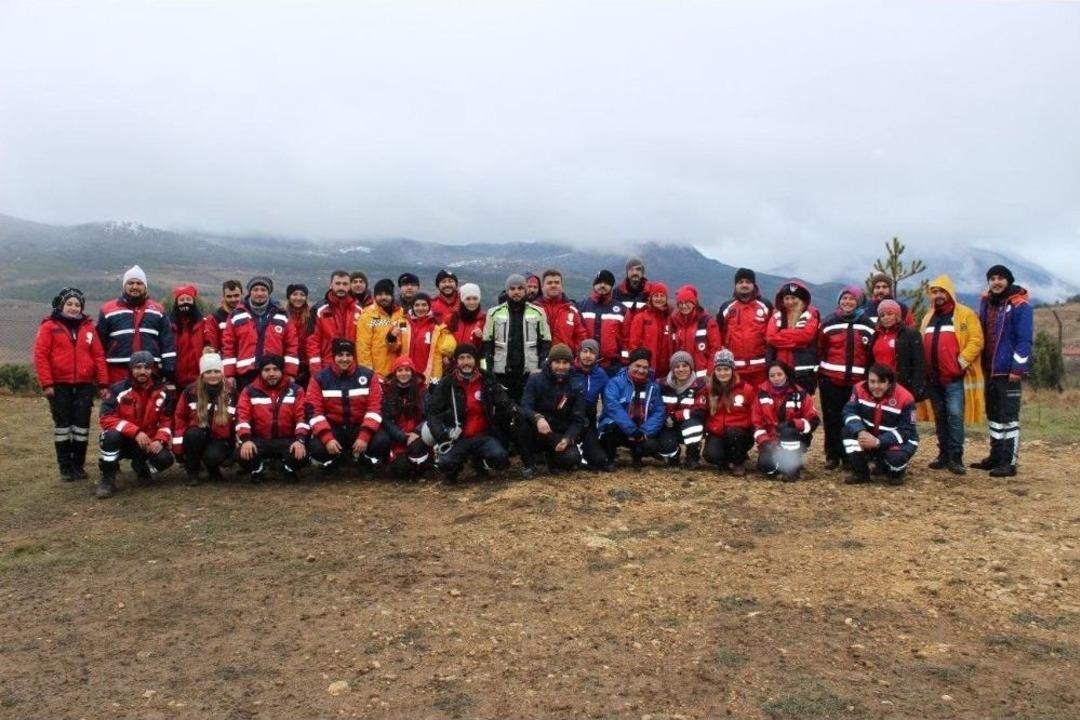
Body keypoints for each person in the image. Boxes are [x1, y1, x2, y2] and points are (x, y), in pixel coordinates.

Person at [34, 287, 109, 481]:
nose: (73, 308)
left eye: (77, 305)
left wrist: (103, 383)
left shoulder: (88, 327)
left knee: (81, 426)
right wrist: (47, 384)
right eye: (69, 304)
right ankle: (65, 467)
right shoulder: (49, 326)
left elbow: (98, 355)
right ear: (61, 305)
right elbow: (41, 356)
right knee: (63, 426)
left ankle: (78, 465)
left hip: (84, 385)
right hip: (59, 385)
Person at [921, 274, 984, 475]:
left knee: (955, 417)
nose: (938, 295)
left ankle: (956, 457)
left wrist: (961, 362)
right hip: (933, 379)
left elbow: (976, 340)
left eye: (941, 291)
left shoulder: (965, 314)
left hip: (954, 379)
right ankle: (943, 455)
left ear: (949, 292)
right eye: (934, 292)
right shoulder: (928, 317)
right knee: (940, 418)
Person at [974, 264, 1033, 477]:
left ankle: (1009, 462)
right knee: (994, 416)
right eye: (992, 278)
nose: (996, 282)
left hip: (1008, 372)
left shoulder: (1020, 306)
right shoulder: (986, 302)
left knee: (1009, 417)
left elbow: (1024, 340)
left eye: (1000, 278)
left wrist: (1018, 367)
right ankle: (996, 456)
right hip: (989, 370)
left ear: (1008, 280)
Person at [424, 344, 515, 483]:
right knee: (445, 463)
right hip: (458, 438)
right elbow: (433, 412)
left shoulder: (487, 378)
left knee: (499, 457)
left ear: (475, 360)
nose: (466, 362)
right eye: (461, 358)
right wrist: (441, 437)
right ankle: (454, 469)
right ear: (456, 361)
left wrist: (515, 411)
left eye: (469, 358)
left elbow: (503, 400)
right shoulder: (447, 382)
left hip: (484, 435)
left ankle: (480, 463)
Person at [97, 351, 175, 498]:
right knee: (110, 436)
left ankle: (141, 467)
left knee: (166, 459)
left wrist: (160, 439)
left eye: (147, 367)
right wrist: (135, 432)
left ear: (152, 369)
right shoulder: (117, 390)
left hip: (148, 441)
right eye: (138, 367)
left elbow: (167, 420)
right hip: (123, 440)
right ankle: (107, 478)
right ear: (131, 369)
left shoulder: (162, 391)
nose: (142, 371)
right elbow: (106, 418)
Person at [817, 286, 875, 471]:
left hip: (857, 383)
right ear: (839, 301)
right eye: (844, 298)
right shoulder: (829, 322)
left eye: (852, 299)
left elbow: (871, 354)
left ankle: (850, 456)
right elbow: (821, 349)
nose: (847, 302)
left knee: (852, 420)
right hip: (830, 379)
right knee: (832, 419)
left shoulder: (867, 324)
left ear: (858, 302)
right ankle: (832, 455)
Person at [306, 339, 385, 473]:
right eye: (340, 355)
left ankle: (365, 460)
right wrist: (327, 439)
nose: (344, 359)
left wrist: (364, 436)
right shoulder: (319, 378)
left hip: (359, 426)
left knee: (381, 441)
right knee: (316, 447)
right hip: (334, 428)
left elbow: (375, 408)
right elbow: (314, 412)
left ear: (353, 357)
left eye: (348, 355)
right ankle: (335, 460)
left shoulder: (368, 376)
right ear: (333, 356)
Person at [235, 354, 310, 482]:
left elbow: (302, 417)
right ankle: (257, 470)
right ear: (261, 371)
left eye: (275, 369)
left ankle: (289, 469)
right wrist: (246, 440)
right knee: (242, 454)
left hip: (287, 440)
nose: (271, 373)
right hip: (259, 440)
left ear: (282, 371)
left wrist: (300, 440)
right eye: (267, 370)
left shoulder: (296, 390)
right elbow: (242, 417)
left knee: (301, 455)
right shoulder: (249, 391)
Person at [842, 363, 919, 485]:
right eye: (872, 382)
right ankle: (861, 472)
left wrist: (878, 441)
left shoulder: (906, 398)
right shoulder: (858, 389)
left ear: (889, 383)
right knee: (848, 431)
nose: (876, 386)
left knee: (895, 470)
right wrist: (860, 431)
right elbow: (849, 411)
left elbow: (906, 431)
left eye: (881, 382)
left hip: (898, 440)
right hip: (870, 435)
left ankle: (894, 470)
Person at [517, 343, 587, 478]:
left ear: (570, 364)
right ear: (550, 362)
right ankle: (530, 464)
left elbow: (578, 419)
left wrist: (568, 438)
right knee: (518, 422)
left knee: (572, 460)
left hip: (559, 432)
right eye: (557, 362)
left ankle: (552, 458)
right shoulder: (535, 379)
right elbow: (525, 406)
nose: (561, 366)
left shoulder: (577, 384)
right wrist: (537, 418)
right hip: (537, 429)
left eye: (565, 362)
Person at [98, 265, 176, 384]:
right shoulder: (107, 310)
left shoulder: (158, 310)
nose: (135, 287)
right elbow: (99, 346)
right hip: (117, 371)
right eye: (130, 283)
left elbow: (167, 342)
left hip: (150, 371)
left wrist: (169, 369)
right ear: (124, 286)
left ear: (145, 287)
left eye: (139, 283)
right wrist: (101, 378)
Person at [482, 274, 552, 403]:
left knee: (526, 408)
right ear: (507, 291)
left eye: (520, 288)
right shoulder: (493, 313)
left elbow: (545, 342)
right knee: (502, 410)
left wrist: (541, 368)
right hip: (501, 372)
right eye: (512, 288)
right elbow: (487, 345)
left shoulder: (538, 312)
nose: (516, 292)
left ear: (525, 291)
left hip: (529, 372)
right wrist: (489, 373)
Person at [222, 276, 299, 388]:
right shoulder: (236, 315)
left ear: (269, 292)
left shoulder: (282, 315)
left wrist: (290, 372)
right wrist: (229, 374)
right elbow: (228, 345)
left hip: (274, 373)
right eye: (255, 290)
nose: (259, 293)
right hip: (245, 374)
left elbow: (291, 345)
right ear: (250, 292)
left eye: (263, 290)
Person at [597, 348, 666, 468]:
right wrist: (631, 430)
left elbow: (659, 412)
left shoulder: (653, 388)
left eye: (645, 367)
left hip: (641, 431)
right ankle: (610, 457)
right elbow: (613, 407)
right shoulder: (615, 383)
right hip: (621, 429)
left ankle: (637, 454)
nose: (641, 370)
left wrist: (645, 431)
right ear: (629, 365)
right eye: (637, 366)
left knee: (652, 445)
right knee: (610, 428)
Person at [172, 352, 234, 485]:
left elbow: (237, 420)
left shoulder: (231, 392)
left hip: (219, 438)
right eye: (208, 372)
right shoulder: (190, 392)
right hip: (196, 436)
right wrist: (177, 447)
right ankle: (192, 472)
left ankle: (213, 470)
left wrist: (233, 451)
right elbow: (180, 418)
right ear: (202, 375)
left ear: (222, 373)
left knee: (213, 456)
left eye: (217, 371)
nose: (213, 375)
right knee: (193, 434)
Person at [751, 361, 819, 481]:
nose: (776, 378)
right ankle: (781, 465)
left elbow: (813, 420)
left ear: (786, 375)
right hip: (771, 440)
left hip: (793, 438)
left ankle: (792, 468)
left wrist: (794, 424)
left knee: (788, 432)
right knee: (765, 467)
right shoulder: (761, 394)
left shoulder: (800, 394)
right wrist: (765, 442)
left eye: (779, 374)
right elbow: (756, 424)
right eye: (772, 375)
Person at [370, 357, 431, 479]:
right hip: (397, 438)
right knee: (401, 469)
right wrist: (400, 435)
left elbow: (430, 415)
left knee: (420, 465)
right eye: (400, 370)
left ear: (412, 372)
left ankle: (426, 461)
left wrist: (417, 432)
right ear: (395, 373)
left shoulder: (422, 391)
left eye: (407, 370)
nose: (404, 373)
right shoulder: (387, 392)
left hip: (417, 436)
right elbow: (385, 419)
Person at [701, 349, 755, 475]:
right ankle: (726, 459)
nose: (722, 373)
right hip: (718, 431)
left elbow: (754, 412)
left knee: (733, 433)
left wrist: (753, 431)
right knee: (711, 455)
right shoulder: (709, 389)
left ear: (732, 370)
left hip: (739, 433)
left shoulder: (745, 389)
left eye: (726, 369)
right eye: (719, 370)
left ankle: (738, 462)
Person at [717, 268, 773, 389]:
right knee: (738, 404)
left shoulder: (766, 306)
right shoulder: (726, 307)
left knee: (760, 403)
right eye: (740, 282)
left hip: (760, 368)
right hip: (735, 369)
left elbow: (773, 334)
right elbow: (718, 335)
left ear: (754, 284)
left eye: (748, 282)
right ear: (735, 285)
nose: (744, 285)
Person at [765, 280, 821, 394]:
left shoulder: (810, 315)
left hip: (804, 371)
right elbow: (771, 337)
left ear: (801, 300)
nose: (790, 302)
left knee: (804, 403)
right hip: (780, 371)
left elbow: (806, 336)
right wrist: (797, 341)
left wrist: (782, 333)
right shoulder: (777, 316)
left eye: (793, 298)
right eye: (787, 298)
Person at [306, 270, 363, 377]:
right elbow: (313, 342)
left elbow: (364, 341)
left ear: (350, 286)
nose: (341, 287)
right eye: (338, 283)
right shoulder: (319, 310)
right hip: (327, 368)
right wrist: (316, 371)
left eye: (345, 284)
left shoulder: (359, 310)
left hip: (353, 368)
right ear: (331, 285)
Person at [657, 350, 708, 468]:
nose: (681, 369)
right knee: (666, 446)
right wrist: (666, 419)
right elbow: (656, 407)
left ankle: (692, 456)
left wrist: (675, 416)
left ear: (691, 367)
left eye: (685, 366)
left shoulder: (700, 385)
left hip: (688, 424)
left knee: (694, 425)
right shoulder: (661, 384)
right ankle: (674, 454)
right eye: (677, 366)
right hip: (668, 426)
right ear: (672, 369)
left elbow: (699, 411)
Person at [869, 299, 926, 401]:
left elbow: (919, 364)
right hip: (878, 386)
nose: (886, 317)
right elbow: (870, 361)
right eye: (882, 315)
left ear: (897, 315)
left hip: (901, 386)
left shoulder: (911, 334)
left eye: (890, 314)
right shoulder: (876, 335)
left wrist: (914, 390)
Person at [570, 338, 611, 470]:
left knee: (599, 459)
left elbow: (608, 401)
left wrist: (603, 423)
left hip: (589, 418)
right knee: (571, 459)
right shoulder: (569, 371)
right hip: (569, 417)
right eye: (585, 351)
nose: (588, 356)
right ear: (578, 353)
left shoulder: (601, 374)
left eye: (592, 353)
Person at [356, 278, 409, 378]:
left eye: (387, 294)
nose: (383, 297)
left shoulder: (401, 314)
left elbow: (404, 340)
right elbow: (363, 347)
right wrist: (367, 372)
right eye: (380, 294)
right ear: (375, 296)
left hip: (398, 372)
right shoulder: (368, 316)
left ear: (392, 296)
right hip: (377, 373)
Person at [578, 269, 627, 375]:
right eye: (599, 282)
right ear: (594, 285)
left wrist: (624, 362)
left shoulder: (621, 309)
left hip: (612, 366)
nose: (603, 285)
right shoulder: (582, 306)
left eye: (607, 283)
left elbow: (625, 337)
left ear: (611, 287)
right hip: (585, 365)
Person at [671, 284, 722, 380]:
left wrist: (710, 373)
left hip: (702, 377)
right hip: (682, 377)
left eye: (687, 302)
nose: (684, 306)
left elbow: (715, 350)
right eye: (680, 303)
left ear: (694, 303)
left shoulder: (707, 322)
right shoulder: (675, 322)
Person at [169, 284, 213, 390]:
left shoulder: (205, 324)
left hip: (200, 381)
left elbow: (210, 345)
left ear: (194, 302)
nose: (185, 302)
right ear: (176, 303)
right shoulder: (169, 325)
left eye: (188, 299)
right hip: (174, 380)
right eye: (182, 299)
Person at [628, 282, 675, 378]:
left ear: (666, 299)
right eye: (656, 295)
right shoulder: (640, 317)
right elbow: (634, 344)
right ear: (650, 298)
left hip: (666, 371)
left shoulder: (670, 319)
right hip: (646, 369)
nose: (659, 299)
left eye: (662, 296)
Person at [406, 293, 456, 381]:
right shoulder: (404, 323)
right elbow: (395, 346)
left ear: (429, 307)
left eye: (424, 305)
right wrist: (391, 337)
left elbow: (448, 348)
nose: (420, 308)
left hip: (429, 376)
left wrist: (446, 355)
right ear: (412, 307)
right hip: (405, 374)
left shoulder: (436, 327)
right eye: (417, 305)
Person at [538, 269, 588, 352]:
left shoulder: (572, 310)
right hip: (539, 362)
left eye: (557, 282)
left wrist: (572, 354)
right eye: (549, 283)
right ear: (543, 286)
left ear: (562, 286)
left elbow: (581, 337)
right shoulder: (535, 309)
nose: (553, 285)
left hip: (565, 362)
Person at [613, 255, 651, 334]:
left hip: (644, 338)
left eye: (638, 269)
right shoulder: (617, 293)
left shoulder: (650, 292)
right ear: (627, 272)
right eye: (631, 269)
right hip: (623, 337)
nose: (635, 272)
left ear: (642, 272)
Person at [285, 283, 312, 387]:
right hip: (287, 363)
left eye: (302, 295)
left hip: (307, 363)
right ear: (289, 297)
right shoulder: (282, 315)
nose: (298, 298)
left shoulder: (311, 316)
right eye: (295, 294)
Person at [447, 283, 486, 349]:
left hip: (474, 358)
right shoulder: (453, 317)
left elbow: (488, 347)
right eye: (468, 299)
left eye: (475, 298)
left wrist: (481, 338)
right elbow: (443, 338)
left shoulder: (484, 320)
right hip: (453, 358)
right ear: (462, 300)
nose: (472, 302)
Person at [207, 279, 243, 350]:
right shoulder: (214, 319)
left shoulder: (248, 315)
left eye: (236, 295)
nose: (233, 299)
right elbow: (212, 347)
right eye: (229, 296)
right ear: (223, 296)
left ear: (242, 294)